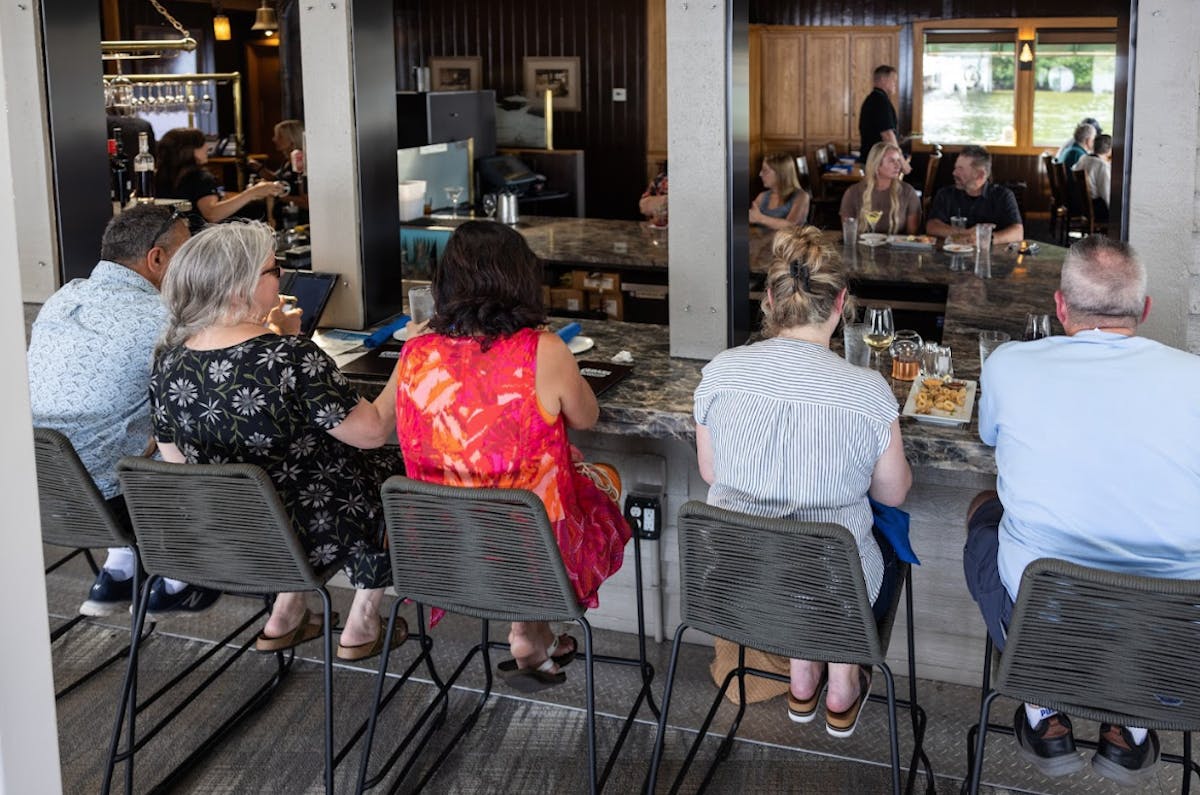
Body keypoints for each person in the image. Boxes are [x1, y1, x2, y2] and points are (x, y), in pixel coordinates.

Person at [963, 236, 1200, 785]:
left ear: (1060, 307)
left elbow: (990, 436)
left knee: (983, 508)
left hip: (1040, 618)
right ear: (1144, 310)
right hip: (1173, 631)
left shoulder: (1009, 365)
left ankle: (1044, 705)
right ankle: (1131, 728)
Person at [149, 221, 407, 660]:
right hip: (314, 527)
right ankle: (364, 618)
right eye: (273, 271)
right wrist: (412, 358)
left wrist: (278, 337)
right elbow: (373, 430)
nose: (282, 278)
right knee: (391, 472)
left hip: (229, 531)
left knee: (289, 481)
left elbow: (177, 463)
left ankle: (287, 610)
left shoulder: (170, 360)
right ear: (239, 289)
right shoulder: (291, 359)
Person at [694, 226, 912, 738]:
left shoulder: (721, 372)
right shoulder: (867, 390)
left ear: (769, 300)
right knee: (867, 537)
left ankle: (801, 674)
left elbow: (711, 473)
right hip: (834, 590)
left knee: (783, 540)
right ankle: (840, 682)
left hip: (736, 581)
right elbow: (894, 493)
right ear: (841, 303)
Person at [394, 221, 631, 691]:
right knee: (599, 480)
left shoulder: (416, 353)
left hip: (446, 545)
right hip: (539, 551)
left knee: (523, 497)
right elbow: (586, 415)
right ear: (520, 279)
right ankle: (528, 628)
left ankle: (532, 635)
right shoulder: (543, 349)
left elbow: (383, 424)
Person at [27, 204, 220, 616]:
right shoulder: (165, 318)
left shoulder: (64, 298)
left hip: (42, 491)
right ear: (157, 258)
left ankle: (120, 569)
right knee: (197, 420)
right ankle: (182, 574)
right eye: (188, 255)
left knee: (121, 414)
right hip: (115, 500)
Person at [155, 128, 285, 226]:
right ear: (190, 150)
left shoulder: (158, 177)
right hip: (197, 243)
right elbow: (212, 214)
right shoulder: (200, 178)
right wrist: (252, 192)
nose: (207, 147)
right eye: (202, 144)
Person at [926, 145, 1024, 246]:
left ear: (980, 175)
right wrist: (966, 233)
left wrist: (985, 239)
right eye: (955, 167)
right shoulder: (945, 194)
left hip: (990, 258)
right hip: (952, 257)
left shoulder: (1003, 196)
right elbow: (932, 226)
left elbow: (1017, 232)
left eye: (960, 169)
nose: (954, 173)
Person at [839, 142, 921, 235]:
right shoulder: (853, 193)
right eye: (891, 161)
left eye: (898, 160)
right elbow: (848, 233)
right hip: (862, 248)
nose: (898, 165)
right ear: (877, 165)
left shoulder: (908, 192)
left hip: (896, 248)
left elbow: (911, 236)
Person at [249, 119, 309, 227]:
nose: (274, 139)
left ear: (292, 140)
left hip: (296, 222)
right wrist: (259, 168)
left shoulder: (301, 162)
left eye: (279, 136)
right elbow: (277, 180)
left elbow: (306, 202)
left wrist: (275, 195)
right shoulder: (287, 161)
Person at [857, 65, 909, 176]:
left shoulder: (875, 99)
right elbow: (887, 135)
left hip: (874, 160)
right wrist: (902, 162)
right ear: (883, 80)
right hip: (878, 163)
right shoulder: (879, 101)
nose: (895, 84)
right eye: (893, 80)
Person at [749, 152, 810, 230]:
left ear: (780, 174)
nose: (760, 174)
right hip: (762, 241)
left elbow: (792, 226)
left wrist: (760, 218)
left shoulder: (801, 196)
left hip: (787, 242)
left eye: (765, 171)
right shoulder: (762, 196)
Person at [1072, 133, 1112, 221]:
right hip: (1096, 209)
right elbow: (1106, 193)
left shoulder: (1083, 158)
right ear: (1109, 150)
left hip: (1082, 205)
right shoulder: (1102, 166)